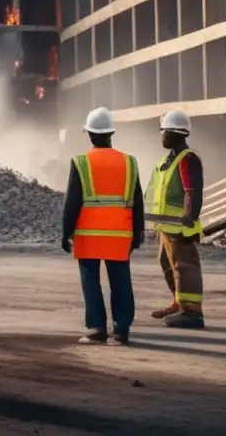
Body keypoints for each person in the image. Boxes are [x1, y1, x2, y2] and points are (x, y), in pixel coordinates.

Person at [61, 107, 144, 345]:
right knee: (121, 282)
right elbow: (137, 200)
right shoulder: (129, 162)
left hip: (89, 235)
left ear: (89, 134)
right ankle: (121, 331)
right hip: (120, 235)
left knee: (91, 281)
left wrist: (65, 233)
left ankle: (97, 329)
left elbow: (72, 202)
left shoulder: (81, 162)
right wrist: (138, 232)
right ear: (111, 133)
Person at [146, 110, 205, 329]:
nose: (161, 136)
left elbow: (193, 190)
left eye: (164, 132)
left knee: (185, 266)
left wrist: (190, 216)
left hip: (181, 226)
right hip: (166, 226)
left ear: (174, 133)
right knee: (167, 263)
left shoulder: (187, 158)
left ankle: (191, 312)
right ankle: (179, 302)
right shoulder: (167, 160)